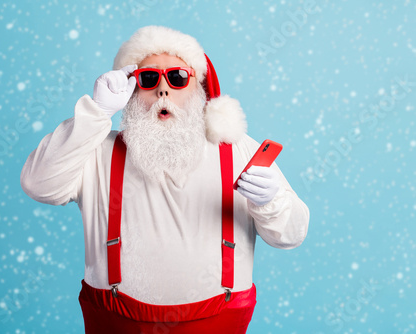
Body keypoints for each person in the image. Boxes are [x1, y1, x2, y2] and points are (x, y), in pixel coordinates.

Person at [20, 25, 310, 333]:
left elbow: (290, 236)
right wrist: (96, 112)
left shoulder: (238, 149)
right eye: (148, 79)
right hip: (115, 322)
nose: (163, 90)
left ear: (198, 86)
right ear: (131, 89)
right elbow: (38, 184)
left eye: (177, 77)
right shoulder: (96, 151)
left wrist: (272, 201)